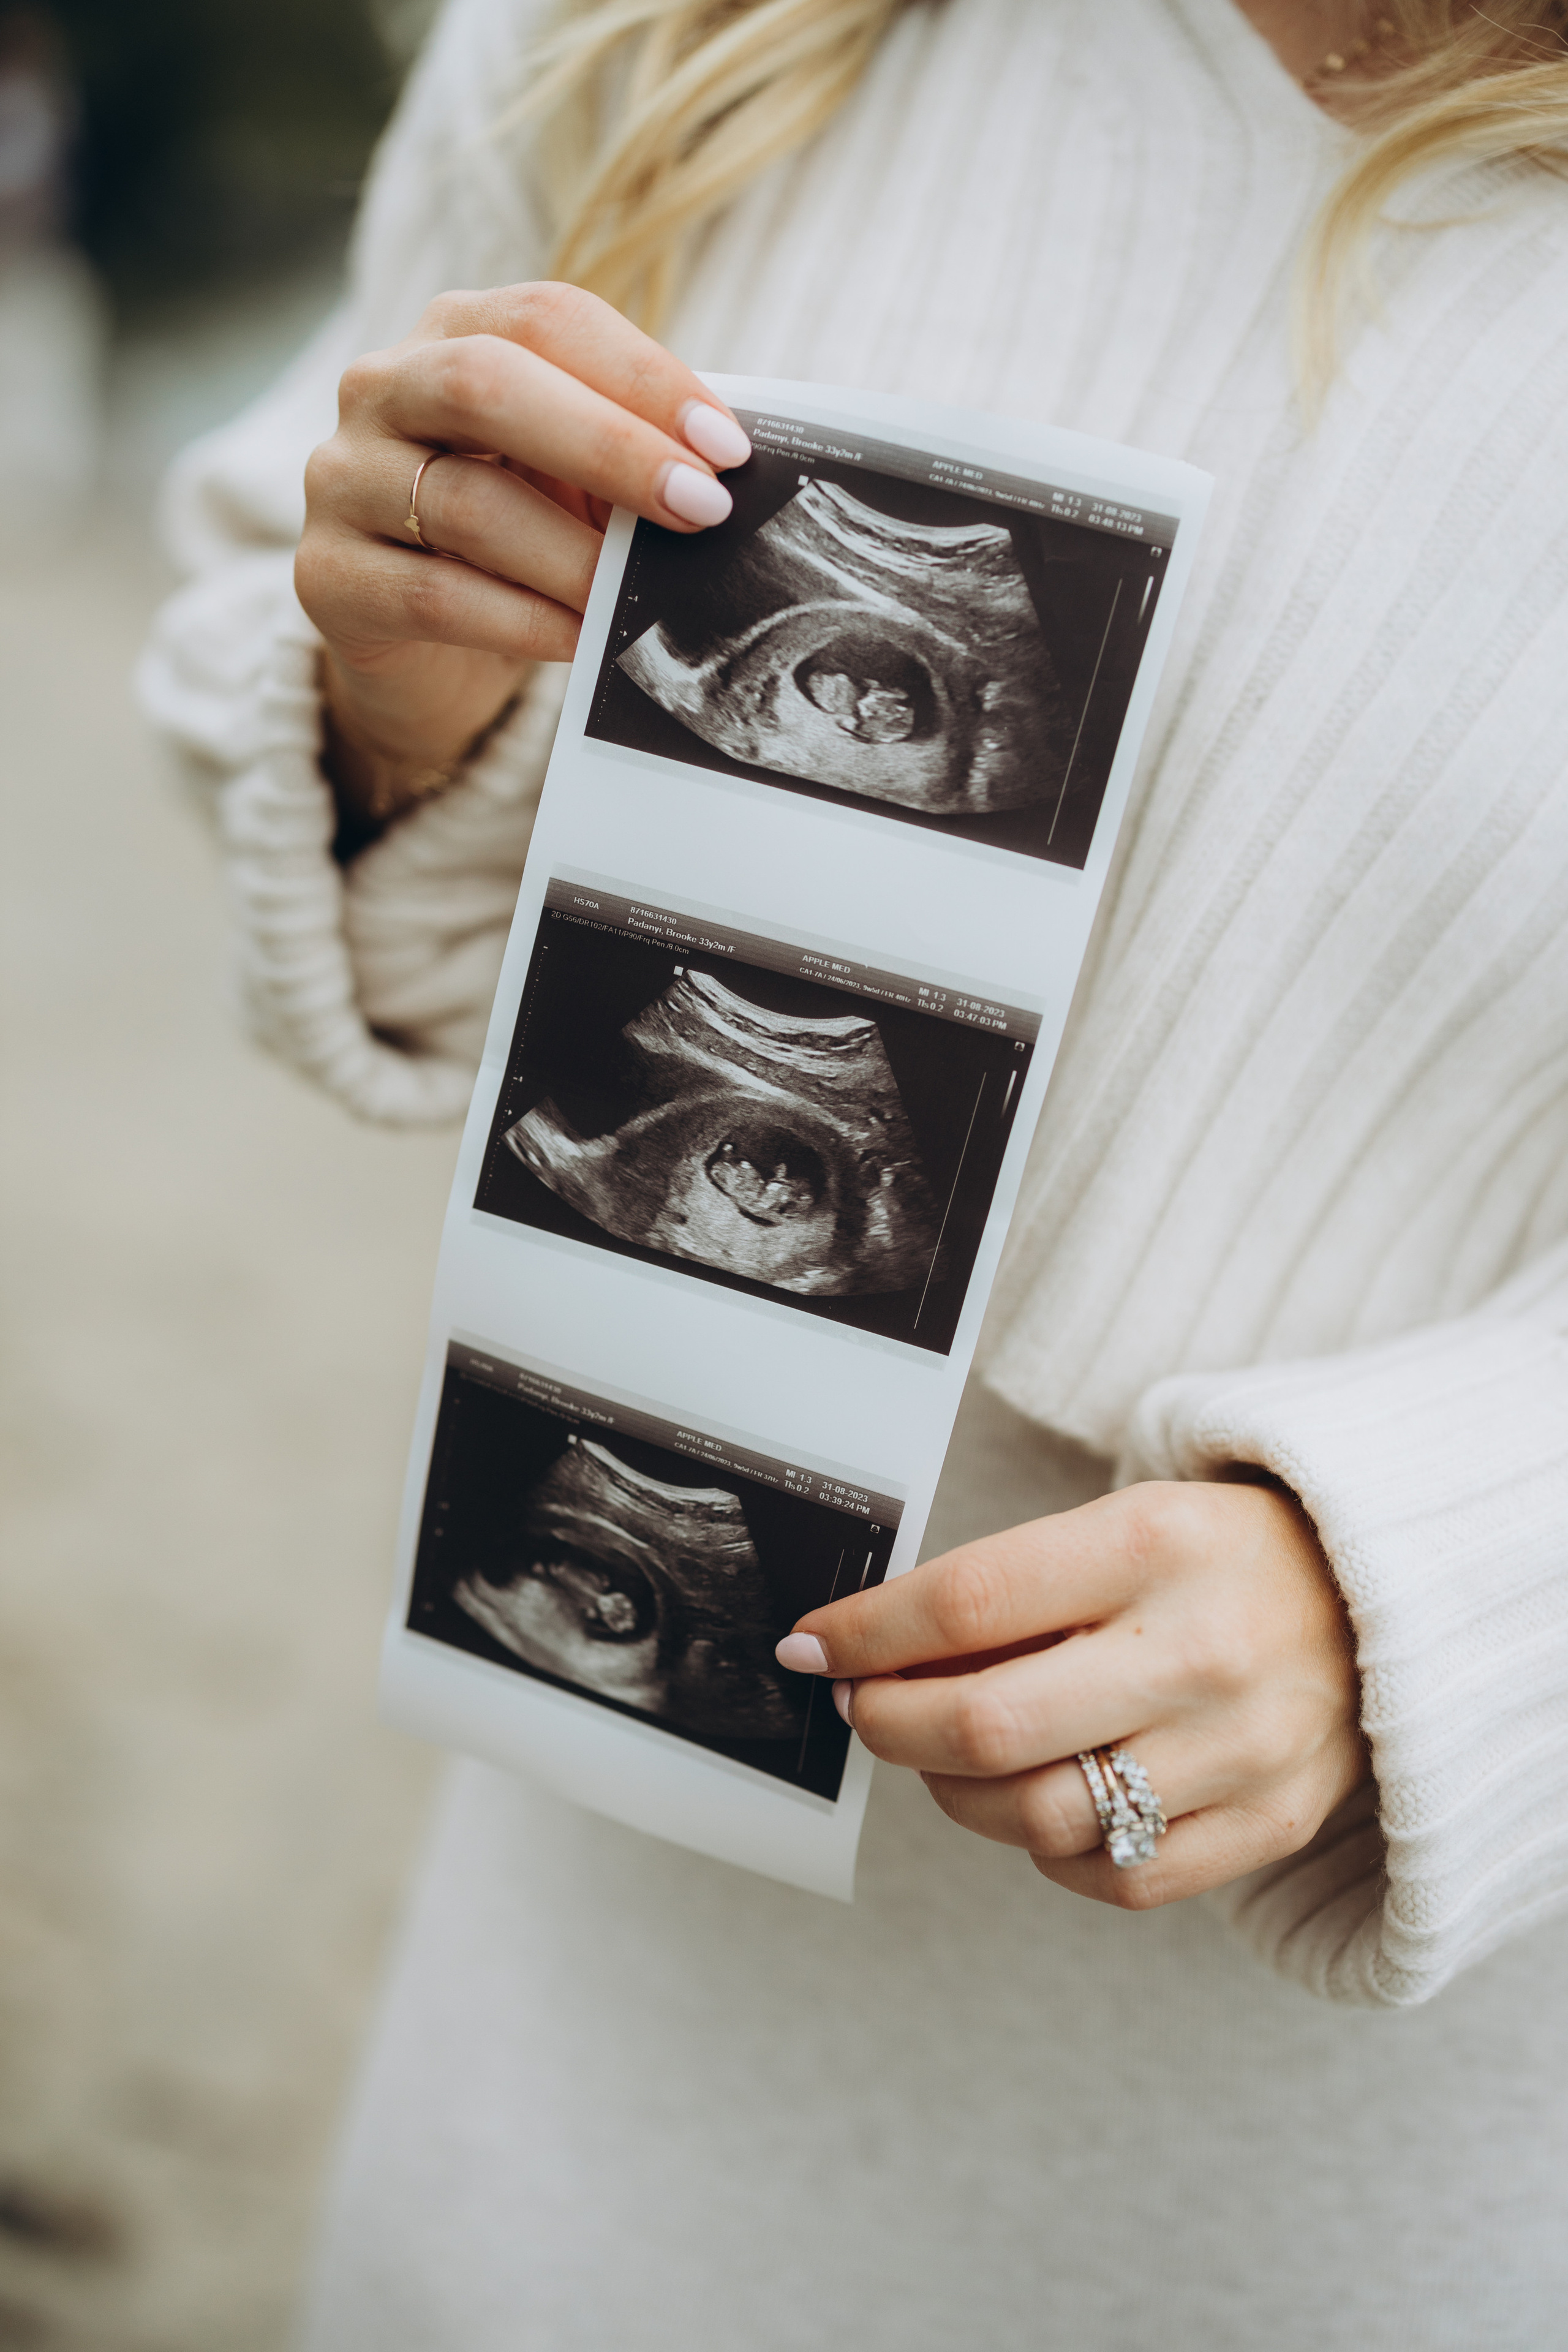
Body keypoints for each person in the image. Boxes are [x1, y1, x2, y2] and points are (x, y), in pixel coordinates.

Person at [138, 1, 1568, 2343]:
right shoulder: (666, 32)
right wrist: (404, 691)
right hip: (563, 2098)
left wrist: (1444, 1579)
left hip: (1370, 2180)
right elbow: (264, 574)